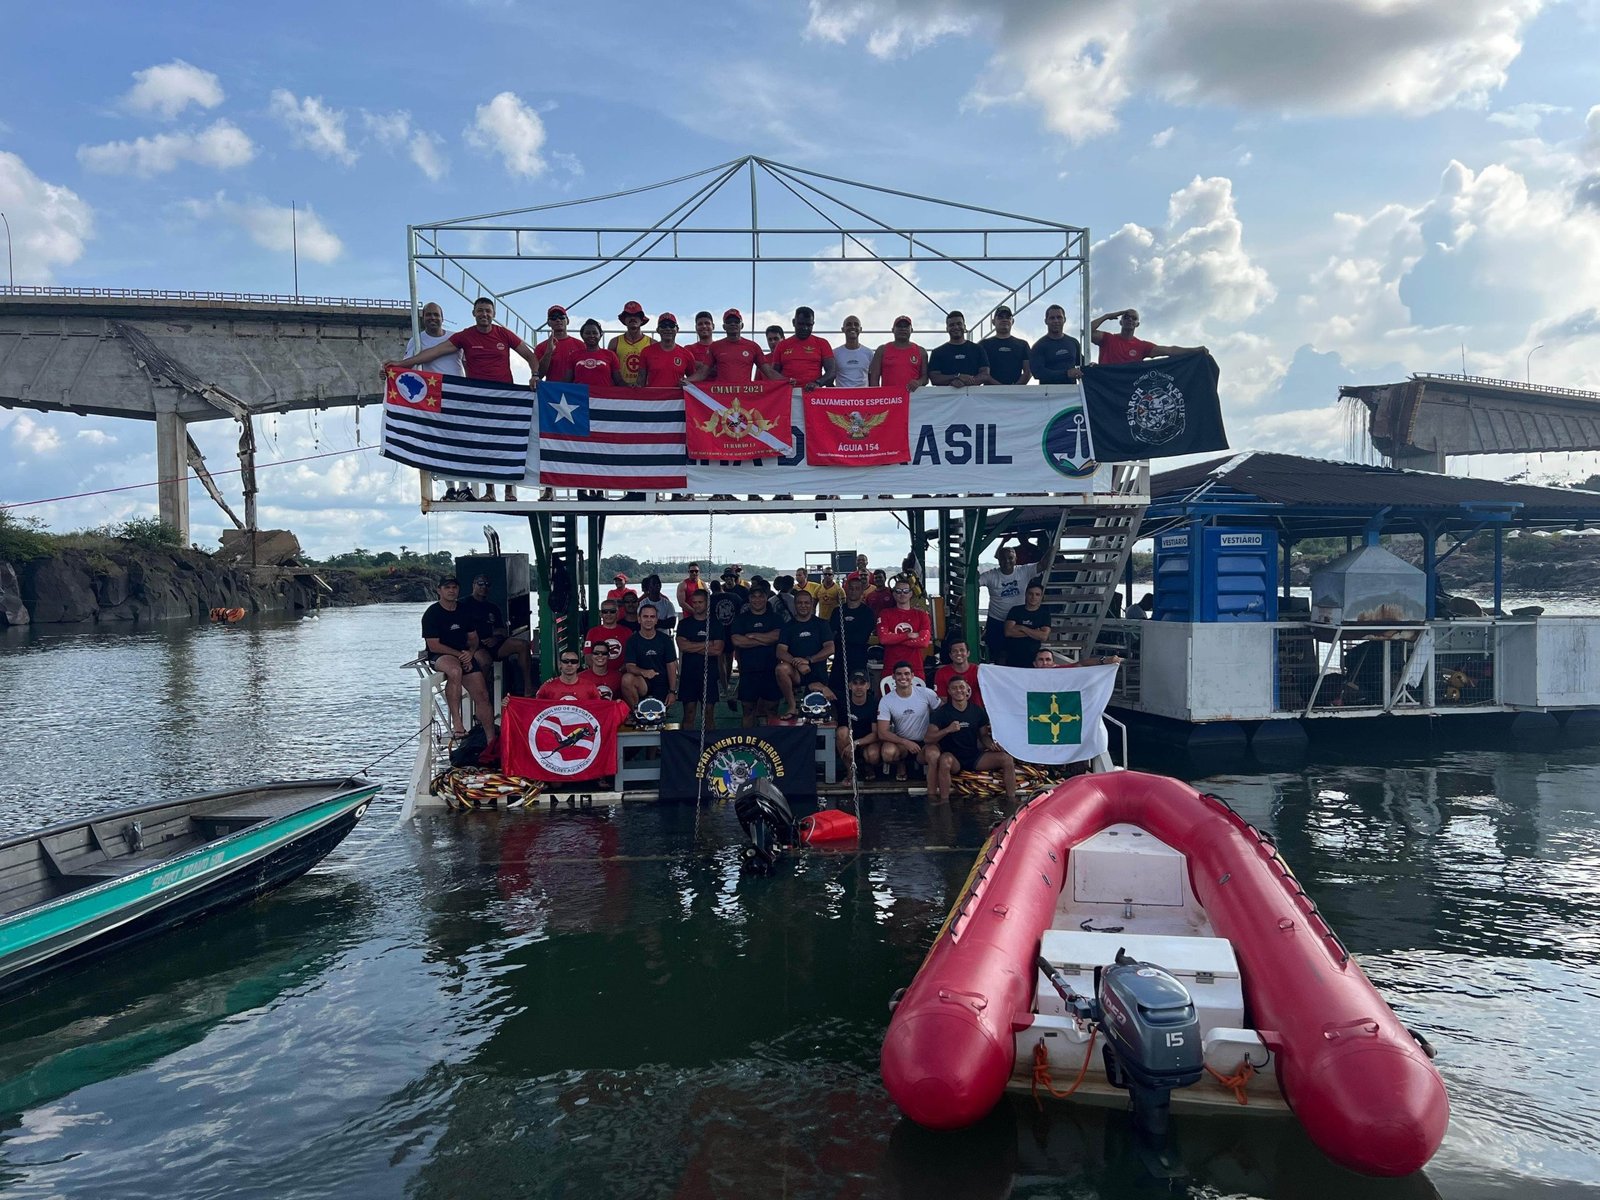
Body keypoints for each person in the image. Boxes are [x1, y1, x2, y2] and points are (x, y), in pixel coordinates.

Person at [389, 296, 539, 500]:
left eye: (488, 311)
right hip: (477, 397)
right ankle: (489, 491)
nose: (484, 314)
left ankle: (510, 491)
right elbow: (434, 352)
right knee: (483, 442)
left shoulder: (503, 333)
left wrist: (535, 375)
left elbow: (530, 356)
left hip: (505, 396)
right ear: (473, 313)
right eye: (480, 311)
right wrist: (400, 365)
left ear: (493, 314)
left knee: (507, 442)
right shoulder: (465, 336)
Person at [405, 302, 472, 502]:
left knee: (461, 441)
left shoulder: (455, 338)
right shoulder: (416, 341)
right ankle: (450, 488)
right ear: (423, 317)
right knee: (440, 443)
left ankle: (464, 487)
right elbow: (408, 365)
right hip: (432, 399)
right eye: (428, 315)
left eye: (436, 315)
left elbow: (469, 364)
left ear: (442, 317)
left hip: (457, 396)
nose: (432, 318)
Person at [421, 577, 495, 739]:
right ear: (439, 590)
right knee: (454, 670)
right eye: (447, 587)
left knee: (482, 695)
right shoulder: (432, 613)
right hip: (440, 655)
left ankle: (491, 739)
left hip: (463, 653)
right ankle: (457, 722)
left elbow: (473, 638)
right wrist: (461, 656)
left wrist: (470, 652)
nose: (451, 590)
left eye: (455, 587)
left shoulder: (464, 610)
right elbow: (434, 645)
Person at [925, 677, 1016, 805]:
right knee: (945, 760)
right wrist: (947, 730)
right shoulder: (941, 713)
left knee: (1007, 759)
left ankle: (1011, 800)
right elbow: (928, 738)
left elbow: (983, 735)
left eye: (961, 687)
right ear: (949, 692)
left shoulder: (977, 711)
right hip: (953, 759)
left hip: (974, 757)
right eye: (954, 688)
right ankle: (944, 802)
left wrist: (989, 744)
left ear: (968, 690)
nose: (958, 691)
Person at [464, 573, 533, 697]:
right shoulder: (463, 605)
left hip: (494, 644)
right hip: (474, 646)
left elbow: (503, 631)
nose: (483, 587)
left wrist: (495, 638)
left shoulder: (492, 607)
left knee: (523, 645)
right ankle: (482, 695)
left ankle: (528, 688)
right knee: (485, 661)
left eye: (487, 584)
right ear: (473, 585)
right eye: (480, 583)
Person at [730, 577, 784, 726]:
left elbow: (777, 636)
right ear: (749, 599)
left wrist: (752, 636)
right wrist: (765, 638)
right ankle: (747, 744)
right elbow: (736, 641)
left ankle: (772, 744)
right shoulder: (741, 619)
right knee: (748, 710)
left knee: (772, 710)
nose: (757, 600)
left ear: (767, 598)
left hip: (771, 671)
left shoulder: (776, 618)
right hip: (748, 672)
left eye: (761, 596)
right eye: (754, 596)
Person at [875, 664, 939, 781]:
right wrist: (905, 742)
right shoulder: (886, 700)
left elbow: (943, 713)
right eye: (899, 674)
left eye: (906, 674)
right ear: (893, 677)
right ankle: (901, 764)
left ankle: (932, 783)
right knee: (887, 753)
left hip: (925, 742)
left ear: (912, 676)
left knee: (934, 754)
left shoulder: (927, 693)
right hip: (902, 744)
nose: (903, 677)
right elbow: (882, 733)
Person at [978, 543, 1040, 663]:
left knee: (1019, 654)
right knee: (996, 655)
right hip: (997, 621)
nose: (1007, 561)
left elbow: (1043, 565)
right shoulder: (991, 575)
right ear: (998, 560)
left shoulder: (1024, 570)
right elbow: (975, 583)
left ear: (1016, 559)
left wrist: (1053, 546)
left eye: (1010, 558)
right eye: (1003, 558)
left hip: (1019, 621)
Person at [777, 588, 836, 712]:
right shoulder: (788, 626)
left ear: (811, 604)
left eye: (806, 603)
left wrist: (808, 660)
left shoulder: (821, 624)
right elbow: (780, 651)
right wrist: (797, 663)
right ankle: (792, 706)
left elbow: (830, 648)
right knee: (781, 669)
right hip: (797, 673)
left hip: (818, 673)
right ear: (795, 605)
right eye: (799, 603)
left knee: (821, 712)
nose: (803, 606)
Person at [675, 589, 723, 730]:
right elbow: (682, 646)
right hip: (689, 675)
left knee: (708, 713)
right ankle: (687, 748)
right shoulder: (684, 624)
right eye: (694, 602)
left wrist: (693, 645)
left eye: (700, 602)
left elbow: (718, 650)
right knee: (689, 713)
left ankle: (711, 748)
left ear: (707, 603)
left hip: (709, 675)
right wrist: (707, 644)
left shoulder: (716, 624)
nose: (696, 605)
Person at [1090, 308, 1207, 365]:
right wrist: (1107, 316)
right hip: (1106, 387)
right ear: (1120, 322)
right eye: (1126, 317)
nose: (1130, 319)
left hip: (1127, 389)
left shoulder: (1141, 346)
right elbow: (1087, 332)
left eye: (1134, 318)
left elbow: (1169, 350)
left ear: (1137, 324)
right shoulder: (1108, 339)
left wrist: (1195, 350)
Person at [697, 309, 780, 383]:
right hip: (721, 397)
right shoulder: (715, 347)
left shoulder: (753, 346)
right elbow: (702, 374)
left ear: (742, 325)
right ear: (724, 326)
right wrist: (685, 381)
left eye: (736, 321)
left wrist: (787, 381)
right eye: (729, 321)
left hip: (744, 396)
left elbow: (769, 372)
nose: (733, 324)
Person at [621, 604, 678, 708]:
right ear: (639, 619)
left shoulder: (665, 640)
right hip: (642, 682)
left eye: (652, 617)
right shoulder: (632, 641)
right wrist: (644, 672)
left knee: (657, 718)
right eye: (645, 616)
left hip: (661, 684)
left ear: (656, 620)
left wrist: (672, 691)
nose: (649, 620)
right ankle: (636, 712)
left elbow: (671, 666)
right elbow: (630, 667)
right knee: (627, 679)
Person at [830, 572, 877, 691]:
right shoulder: (837, 611)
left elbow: (861, 637)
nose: (853, 591)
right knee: (836, 690)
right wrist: (845, 636)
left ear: (862, 591)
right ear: (846, 590)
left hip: (859, 658)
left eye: (857, 589)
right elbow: (831, 634)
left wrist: (841, 636)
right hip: (839, 658)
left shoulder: (868, 613)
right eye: (850, 588)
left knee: (858, 690)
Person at [877, 580, 933, 681]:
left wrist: (894, 639)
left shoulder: (922, 615)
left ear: (911, 593)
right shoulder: (885, 613)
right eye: (898, 591)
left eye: (905, 591)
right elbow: (884, 639)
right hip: (891, 668)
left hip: (915, 668)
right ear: (893, 594)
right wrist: (908, 635)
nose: (902, 594)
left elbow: (924, 642)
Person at [772, 306, 836, 392]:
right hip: (787, 394)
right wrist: (785, 381)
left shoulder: (822, 343)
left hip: (813, 395)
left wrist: (817, 383)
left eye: (809, 325)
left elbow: (832, 371)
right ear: (794, 322)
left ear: (813, 324)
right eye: (801, 324)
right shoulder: (782, 345)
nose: (805, 328)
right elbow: (773, 373)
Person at [833, 670, 881, 782]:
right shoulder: (842, 700)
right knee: (842, 731)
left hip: (867, 741)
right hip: (846, 741)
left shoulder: (874, 703)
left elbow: (876, 733)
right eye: (855, 683)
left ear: (868, 686)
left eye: (862, 683)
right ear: (849, 686)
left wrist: (856, 743)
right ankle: (850, 771)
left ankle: (868, 767)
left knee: (873, 756)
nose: (858, 687)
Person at [928, 311, 993, 388]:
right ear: (947, 328)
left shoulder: (978, 349)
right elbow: (934, 378)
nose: (956, 327)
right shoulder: (937, 352)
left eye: (959, 324)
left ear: (964, 327)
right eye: (952, 325)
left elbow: (985, 374)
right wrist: (956, 377)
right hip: (947, 398)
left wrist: (967, 382)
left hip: (974, 397)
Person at [869, 316, 929, 394]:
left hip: (913, 398)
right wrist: (877, 397)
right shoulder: (882, 350)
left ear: (911, 330)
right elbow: (874, 378)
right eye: (899, 326)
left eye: (906, 326)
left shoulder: (921, 351)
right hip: (889, 398)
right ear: (893, 330)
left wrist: (918, 382)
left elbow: (925, 377)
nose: (903, 329)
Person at [1004, 581, 1055, 667]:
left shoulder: (1044, 614)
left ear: (1041, 597)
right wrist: (1035, 632)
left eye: (1037, 594)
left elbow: (1043, 636)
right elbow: (1008, 632)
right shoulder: (1015, 610)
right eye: (1030, 594)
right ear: (1026, 594)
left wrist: (1022, 628)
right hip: (1013, 655)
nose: (1033, 597)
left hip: (1034, 658)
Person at [1030, 303, 1083, 384]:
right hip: (1048, 394)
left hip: (1072, 394)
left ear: (1064, 319)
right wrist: (1066, 374)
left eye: (1059, 317)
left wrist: (1092, 366)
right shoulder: (1039, 346)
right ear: (1046, 321)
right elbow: (1038, 373)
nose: (1056, 321)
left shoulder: (1073, 343)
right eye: (1052, 318)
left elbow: (1082, 365)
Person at [979, 305, 1031, 386]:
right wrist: (1000, 387)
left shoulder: (1023, 345)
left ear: (1012, 321)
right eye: (1000, 317)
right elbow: (981, 373)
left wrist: (1015, 388)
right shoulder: (984, 345)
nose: (1004, 320)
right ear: (993, 322)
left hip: (1015, 395)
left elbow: (1028, 371)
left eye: (1008, 317)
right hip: (989, 395)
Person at [640, 314, 697, 387]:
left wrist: (686, 383)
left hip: (677, 398)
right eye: (663, 325)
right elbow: (640, 383)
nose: (667, 328)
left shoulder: (687, 355)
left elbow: (693, 382)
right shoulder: (646, 352)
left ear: (677, 329)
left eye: (671, 325)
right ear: (657, 330)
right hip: (653, 397)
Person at [712, 568, 745, 692]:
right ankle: (725, 685)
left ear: (735, 578)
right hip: (722, 632)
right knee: (724, 659)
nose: (729, 580)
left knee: (734, 658)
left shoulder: (741, 592)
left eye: (731, 578)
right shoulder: (733, 595)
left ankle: (731, 684)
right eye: (726, 578)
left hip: (734, 630)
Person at [535, 304, 586, 384]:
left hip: (575, 390)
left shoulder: (580, 345)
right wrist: (548, 352)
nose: (558, 320)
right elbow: (539, 375)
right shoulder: (541, 347)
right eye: (553, 318)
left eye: (561, 317)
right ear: (548, 323)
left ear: (567, 321)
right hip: (552, 391)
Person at [568, 319, 626, 387]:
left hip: (603, 396)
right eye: (587, 333)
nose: (591, 335)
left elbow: (618, 380)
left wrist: (632, 389)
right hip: (581, 396)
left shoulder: (610, 355)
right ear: (582, 335)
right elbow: (567, 380)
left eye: (595, 333)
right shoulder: (574, 355)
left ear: (600, 335)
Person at [610, 300, 654, 386]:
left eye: (636, 316)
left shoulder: (652, 343)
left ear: (641, 320)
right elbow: (610, 369)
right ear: (624, 320)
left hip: (644, 391)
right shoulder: (615, 342)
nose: (632, 318)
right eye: (629, 316)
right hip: (621, 390)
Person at [933, 638, 983, 708]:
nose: (959, 653)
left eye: (962, 650)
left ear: (968, 653)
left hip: (978, 713)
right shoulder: (942, 673)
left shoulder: (979, 671)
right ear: (950, 655)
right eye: (955, 651)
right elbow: (942, 700)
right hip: (953, 714)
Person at [582, 597, 629, 663]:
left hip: (621, 672)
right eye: (605, 611)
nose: (608, 614)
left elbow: (631, 657)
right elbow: (588, 656)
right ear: (601, 614)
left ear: (617, 613)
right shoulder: (592, 632)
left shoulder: (627, 632)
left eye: (612, 611)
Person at [832, 315, 872, 388]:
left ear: (860, 329)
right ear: (843, 329)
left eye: (856, 324)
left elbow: (872, 377)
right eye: (849, 324)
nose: (853, 327)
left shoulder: (869, 353)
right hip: (842, 397)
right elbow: (830, 377)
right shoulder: (835, 353)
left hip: (863, 397)